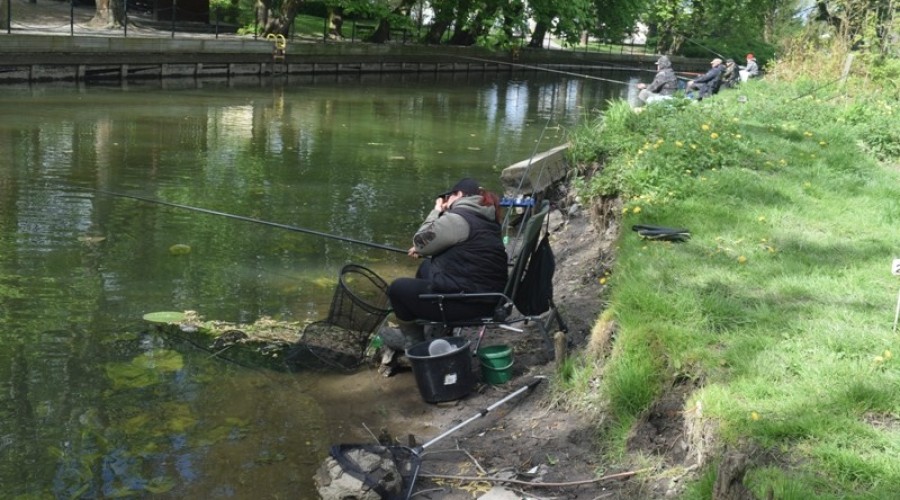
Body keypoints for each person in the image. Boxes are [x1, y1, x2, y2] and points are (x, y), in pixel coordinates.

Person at [379, 178, 509, 353]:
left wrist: (436, 211)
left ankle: (415, 343)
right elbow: (459, 248)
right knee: (426, 266)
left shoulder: (457, 219)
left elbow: (420, 241)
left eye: (448, 197)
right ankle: (433, 329)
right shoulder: (485, 218)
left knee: (397, 289)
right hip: (487, 296)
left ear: (459, 195)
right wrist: (426, 250)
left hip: (468, 304)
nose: (446, 202)